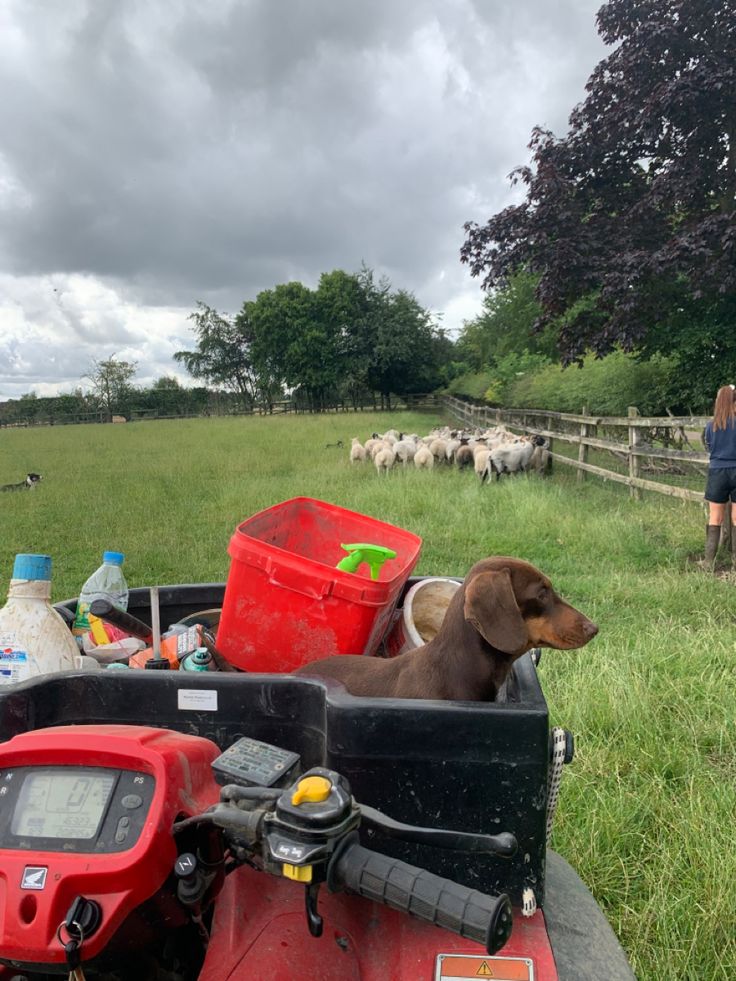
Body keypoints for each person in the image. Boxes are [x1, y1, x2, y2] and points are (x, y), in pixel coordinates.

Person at [702, 384, 736, 568]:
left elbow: (708, 447)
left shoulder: (711, 426)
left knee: (715, 517)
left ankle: (709, 562)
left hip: (717, 471)